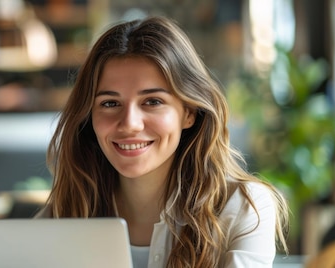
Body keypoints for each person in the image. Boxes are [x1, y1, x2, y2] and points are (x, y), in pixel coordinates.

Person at [36, 16, 289, 268]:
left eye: (152, 101)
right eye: (110, 103)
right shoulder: (67, 208)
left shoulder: (243, 207)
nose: (130, 123)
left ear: (189, 112)